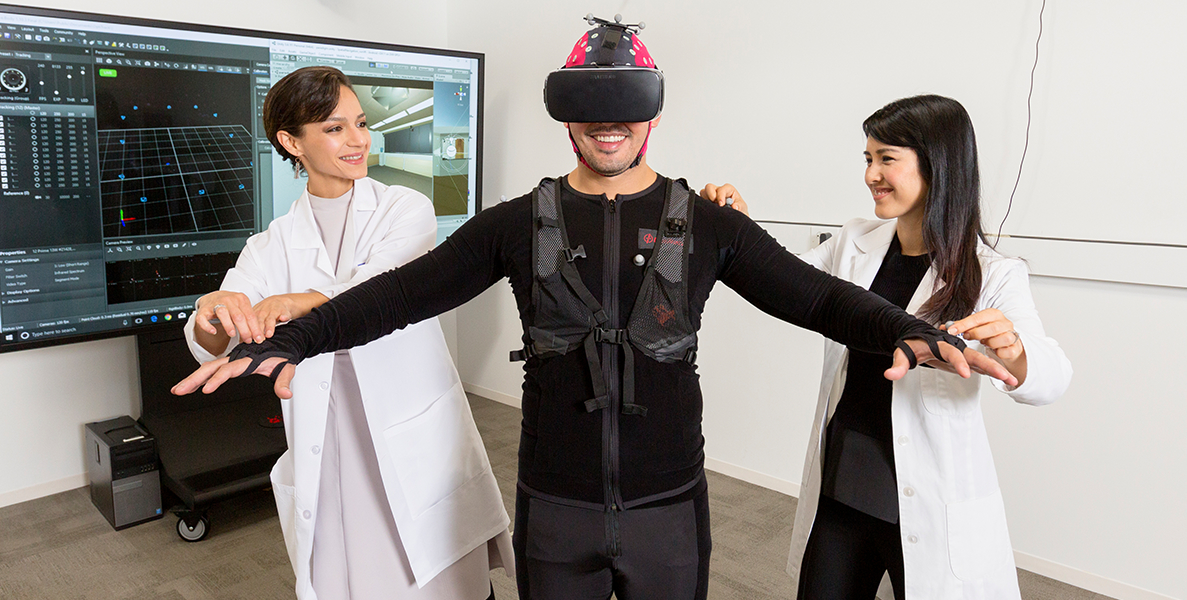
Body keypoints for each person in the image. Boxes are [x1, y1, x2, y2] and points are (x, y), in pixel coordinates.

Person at [174, 21, 1017, 600]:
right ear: (565, 111)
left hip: (667, 507)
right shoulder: (510, 225)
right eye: (590, 106)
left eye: (625, 107)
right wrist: (291, 342)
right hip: (556, 503)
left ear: (649, 111)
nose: (607, 126)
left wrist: (907, 327)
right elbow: (396, 295)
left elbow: (817, 298)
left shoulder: (711, 226)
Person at [703, 95, 1073, 599]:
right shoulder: (855, 241)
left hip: (923, 496)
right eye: (868, 159)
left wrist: (1015, 352)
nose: (870, 174)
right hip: (844, 481)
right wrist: (738, 228)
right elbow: (783, 279)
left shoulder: (994, 274)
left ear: (938, 166)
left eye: (887, 159)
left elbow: (1052, 377)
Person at [183, 66, 512, 600]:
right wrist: (213, 310)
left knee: (443, 580)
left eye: (360, 123)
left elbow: (377, 293)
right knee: (354, 575)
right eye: (335, 129)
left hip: (412, 428)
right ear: (292, 142)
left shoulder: (406, 209)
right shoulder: (270, 244)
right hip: (329, 437)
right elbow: (217, 335)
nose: (360, 140)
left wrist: (288, 304)